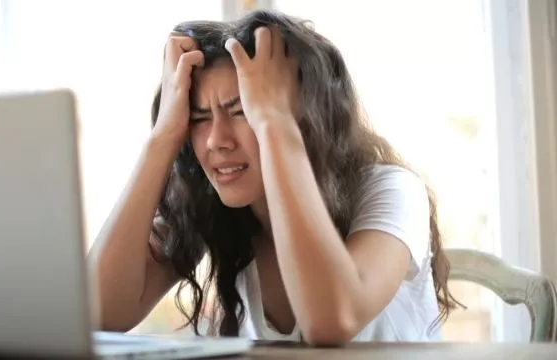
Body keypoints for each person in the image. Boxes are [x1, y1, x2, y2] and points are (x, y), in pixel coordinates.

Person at [88, 9, 459, 344]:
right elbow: (98, 313)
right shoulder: (214, 208)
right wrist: (163, 137)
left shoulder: (392, 189)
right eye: (199, 118)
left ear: (306, 117)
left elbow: (332, 320)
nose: (217, 140)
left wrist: (274, 123)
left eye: (243, 111)